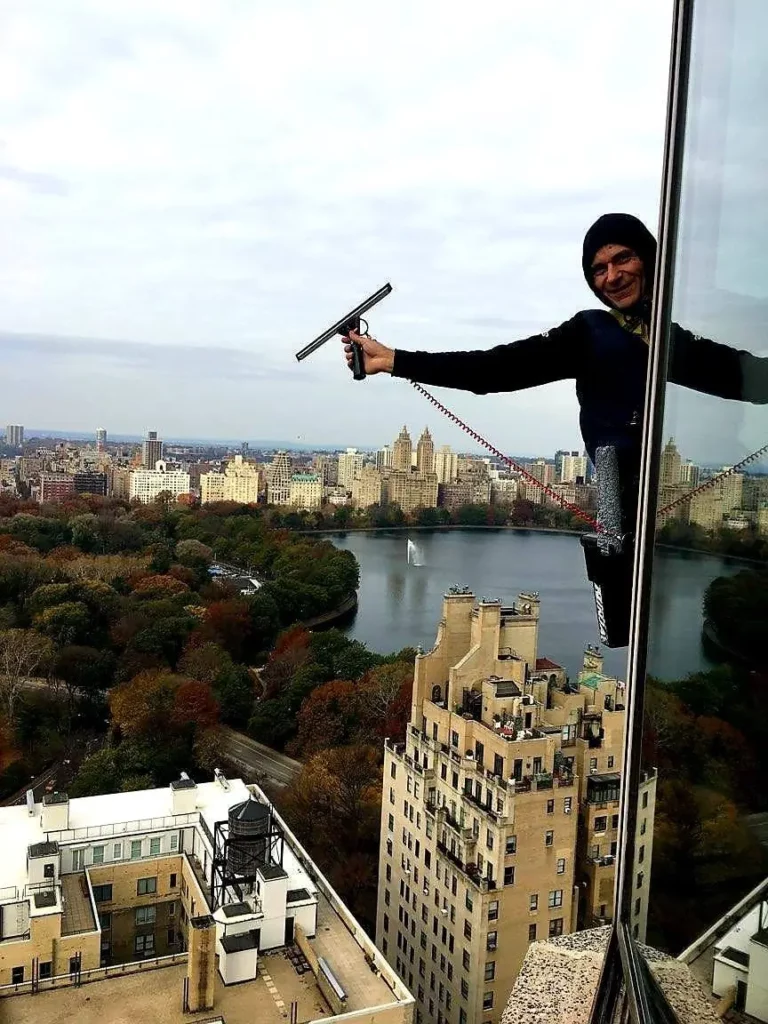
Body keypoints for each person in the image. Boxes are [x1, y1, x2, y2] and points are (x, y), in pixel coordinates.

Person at [341, 212, 768, 645]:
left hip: (650, 493)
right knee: (626, 628)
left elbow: (741, 375)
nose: (612, 277)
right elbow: (496, 368)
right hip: (617, 492)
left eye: (623, 260)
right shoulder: (590, 332)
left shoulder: (665, 338)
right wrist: (394, 360)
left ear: (649, 260)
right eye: (599, 269)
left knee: (641, 625)